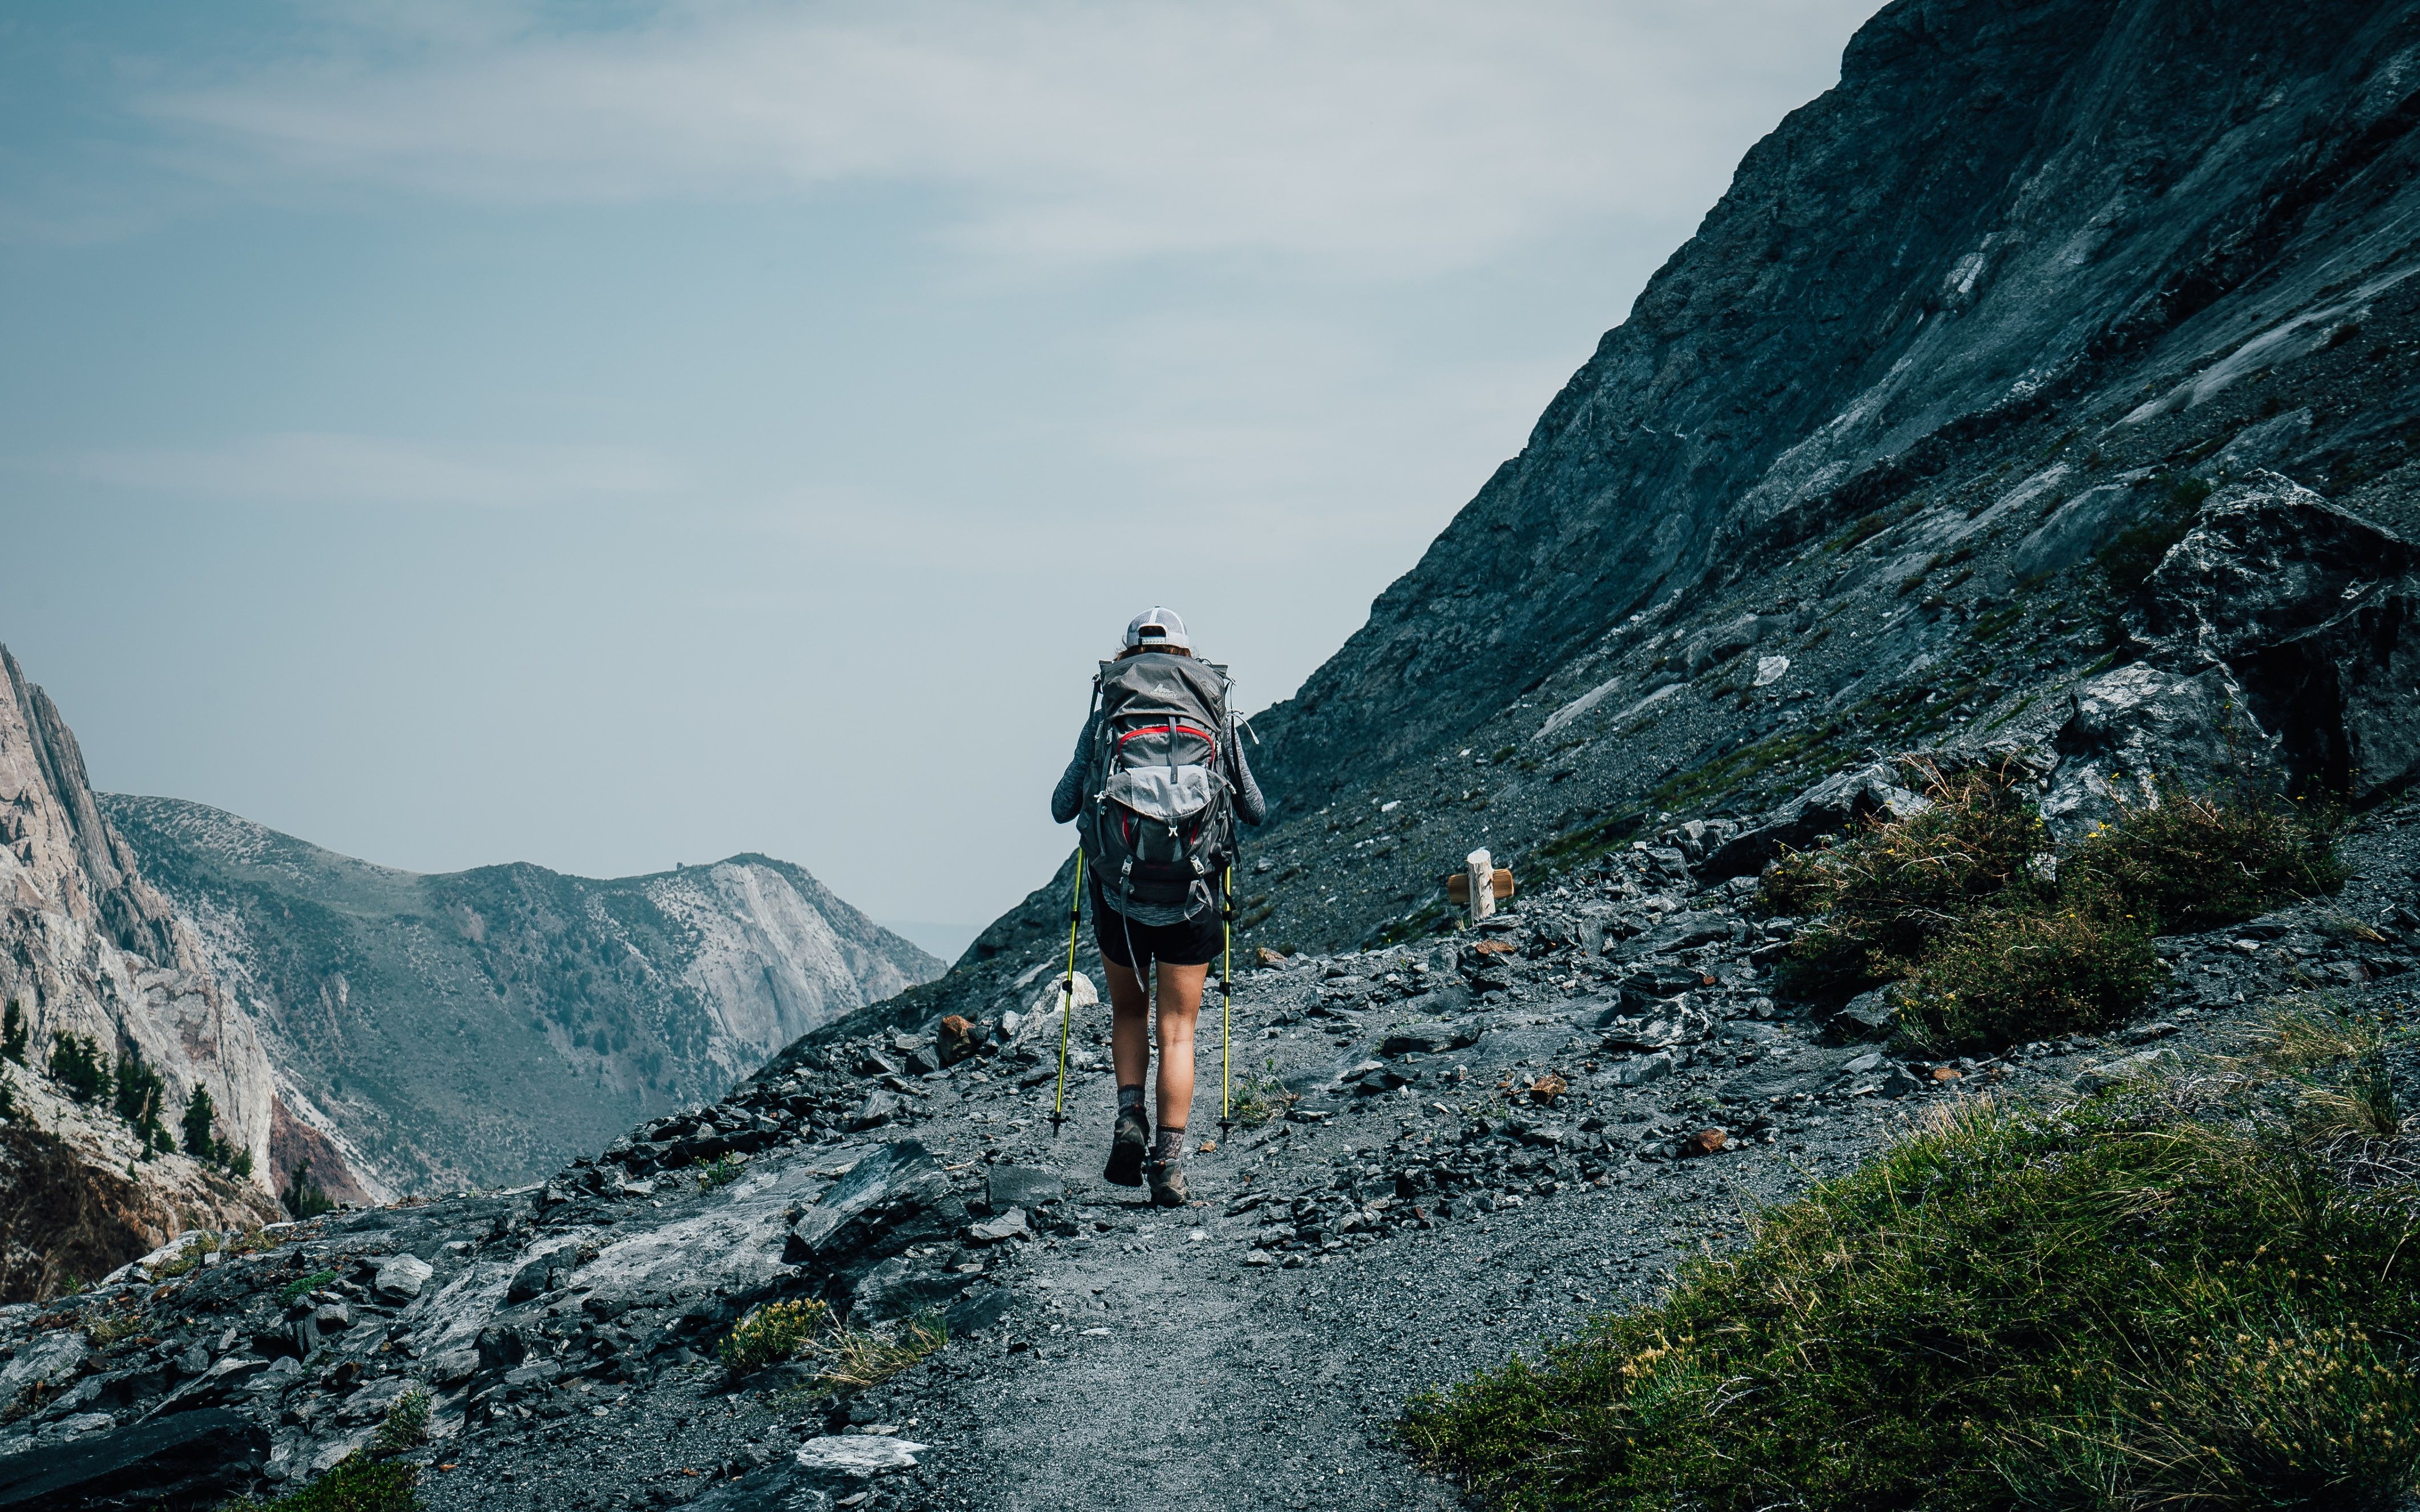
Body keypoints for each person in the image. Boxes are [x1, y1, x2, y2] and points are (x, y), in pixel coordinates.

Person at [1050, 608, 1265, 1205]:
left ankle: (1128, 1119)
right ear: (1189, 658)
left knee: (1127, 1010)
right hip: (1193, 893)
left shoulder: (1109, 712)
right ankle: (1168, 1167)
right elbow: (1253, 808)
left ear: (1126, 657)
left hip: (1119, 893)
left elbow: (1063, 805)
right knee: (1177, 1030)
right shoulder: (1212, 710)